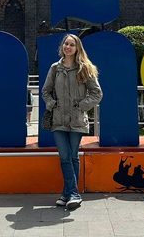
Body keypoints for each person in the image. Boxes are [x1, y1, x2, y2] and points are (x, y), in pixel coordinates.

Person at [42, 34, 103, 210]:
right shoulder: (55, 69)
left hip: (77, 120)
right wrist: (53, 104)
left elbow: (97, 93)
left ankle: (68, 193)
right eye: (66, 44)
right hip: (58, 120)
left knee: (73, 157)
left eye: (71, 45)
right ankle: (73, 194)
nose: (68, 47)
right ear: (62, 47)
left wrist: (82, 106)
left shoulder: (85, 68)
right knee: (64, 157)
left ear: (77, 48)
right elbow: (45, 91)